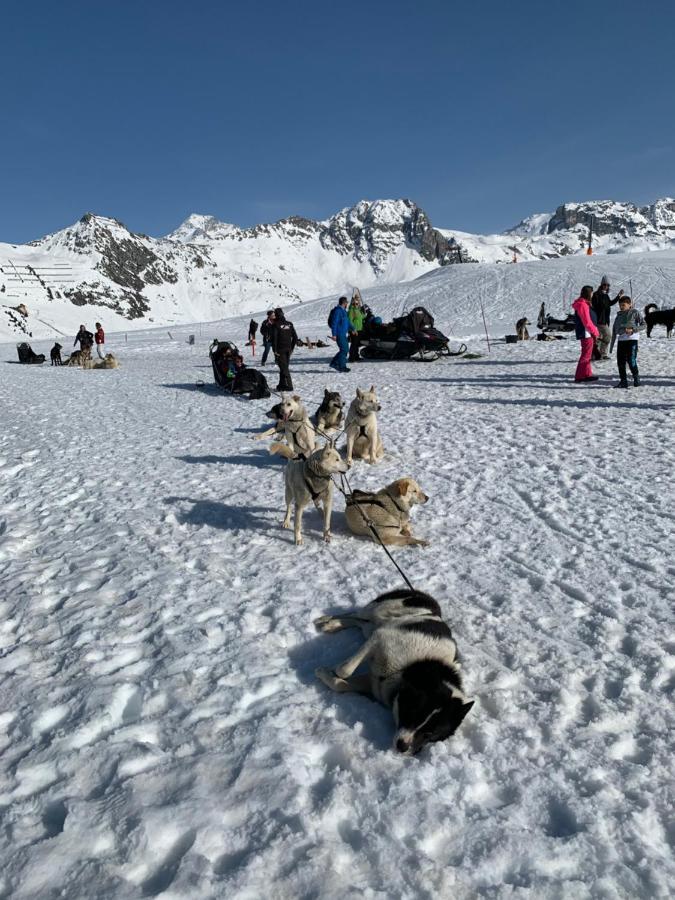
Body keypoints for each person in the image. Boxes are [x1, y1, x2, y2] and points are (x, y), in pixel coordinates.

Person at [610, 296, 644, 388]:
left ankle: (636, 378)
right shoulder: (619, 315)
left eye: (623, 305)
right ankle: (623, 381)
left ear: (630, 305)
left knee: (631, 360)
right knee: (620, 362)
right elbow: (615, 329)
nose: (621, 307)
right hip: (621, 340)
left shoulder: (635, 312)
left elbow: (644, 325)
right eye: (620, 305)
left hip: (632, 340)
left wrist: (633, 329)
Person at [592, 275, 624, 360]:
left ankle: (598, 354)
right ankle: (601, 353)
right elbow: (595, 306)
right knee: (608, 336)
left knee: (599, 338)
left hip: (604, 320)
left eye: (608, 285)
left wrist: (618, 296)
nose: (606, 286)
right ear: (601, 285)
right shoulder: (596, 295)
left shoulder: (605, 295)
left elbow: (609, 303)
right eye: (604, 285)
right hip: (598, 320)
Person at [572, 286, 600, 383]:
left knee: (588, 354)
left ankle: (587, 374)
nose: (592, 295)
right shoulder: (582, 305)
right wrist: (595, 332)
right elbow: (587, 322)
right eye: (591, 293)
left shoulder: (584, 303)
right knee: (586, 355)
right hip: (586, 333)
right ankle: (579, 376)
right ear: (588, 293)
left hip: (587, 333)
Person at [271, 307, 298, 391]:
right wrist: (292, 348)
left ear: (276, 315)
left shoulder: (276, 325)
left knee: (284, 368)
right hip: (288, 349)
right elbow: (295, 337)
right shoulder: (289, 324)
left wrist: (274, 350)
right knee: (283, 367)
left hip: (280, 349)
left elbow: (274, 339)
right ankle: (282, 384)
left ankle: (289, 386)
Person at [328, 296, 355, 373]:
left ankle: (335, 363)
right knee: (344, 350)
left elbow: (347, 322)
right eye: (346, 302)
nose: (347, 304)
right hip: (339, 334)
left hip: (343, 333)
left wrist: (353, 329)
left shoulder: (343, 311)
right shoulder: (337, 311)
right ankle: (340, 366)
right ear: (344, 303)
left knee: (345, 350)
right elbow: (334, 323)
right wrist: (334, 334)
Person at [348, 291, 366, 362]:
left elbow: (362, 317)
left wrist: (364, 313)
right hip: (354, 329)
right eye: (355, 303)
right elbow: (350, 320)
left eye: (357, 303)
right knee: (354, 343)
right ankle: (351, 357)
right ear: (352, 303)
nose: (356, 304)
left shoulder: (358, 310)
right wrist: (352, 329)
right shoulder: (351, 311)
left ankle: (356, 356)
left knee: (356, 344)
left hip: (359, 329)